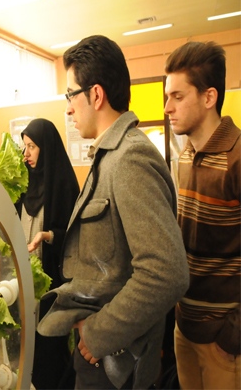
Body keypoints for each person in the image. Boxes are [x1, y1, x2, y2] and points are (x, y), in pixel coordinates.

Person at [36, 35, 189, 389]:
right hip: (104, 359)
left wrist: (98, 334)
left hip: (115, 362)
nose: (69, 109)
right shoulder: (110, 156)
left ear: (96, 95)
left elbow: (166, 272)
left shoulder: (130, 158)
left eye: (71, 95)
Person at [164, 41, 240, 389]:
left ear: (209, 97)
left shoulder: (237, 156)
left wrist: (234, 333)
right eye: (168, 96)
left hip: (224, 339)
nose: (167, 107)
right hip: (185, 327)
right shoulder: (185, 154)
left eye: (178, 97)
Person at [15, 118, 80, 389]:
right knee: (27, 352)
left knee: (51, 353)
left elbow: (75, 236)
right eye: (24, 146)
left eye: (32, 146)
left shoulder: (63, 185)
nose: (26, 153)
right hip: (23, 286)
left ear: (47, 147)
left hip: (52, 286)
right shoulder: (22, 184)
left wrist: (49, 236)